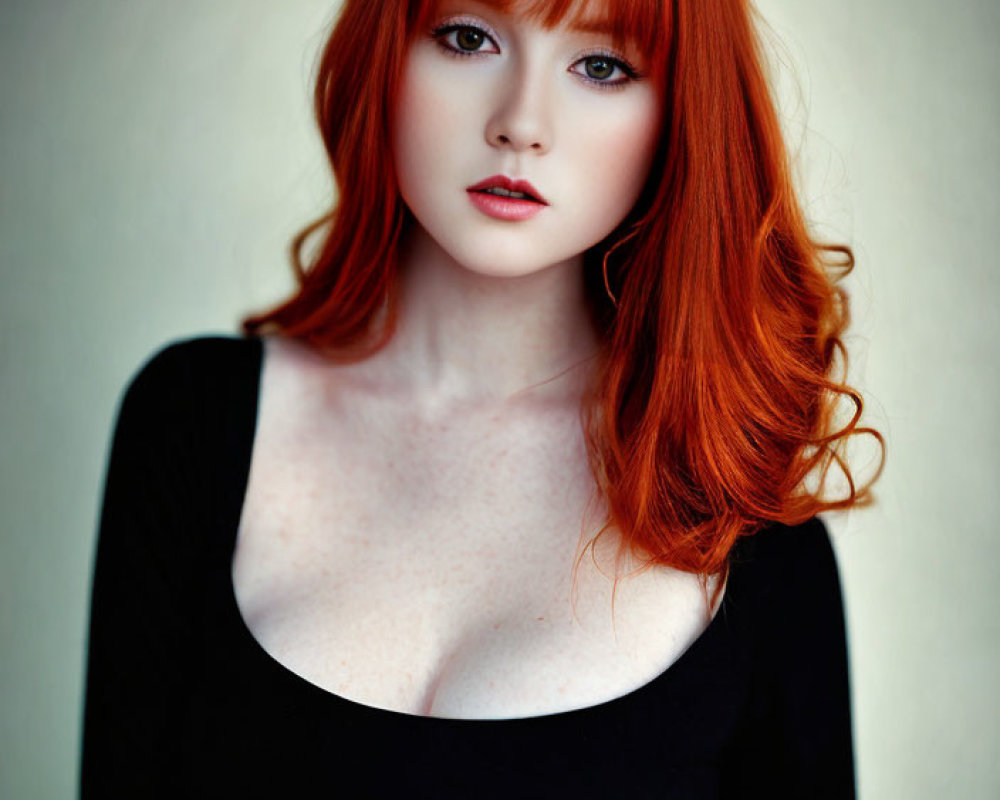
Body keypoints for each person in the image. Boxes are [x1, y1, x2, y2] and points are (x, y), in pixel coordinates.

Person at [81, 0, 883, 797]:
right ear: (385, 56)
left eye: (601, 65)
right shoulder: (191, 422)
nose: (520, 123)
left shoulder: (750, 531)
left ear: (681, 116)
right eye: (468, 38)